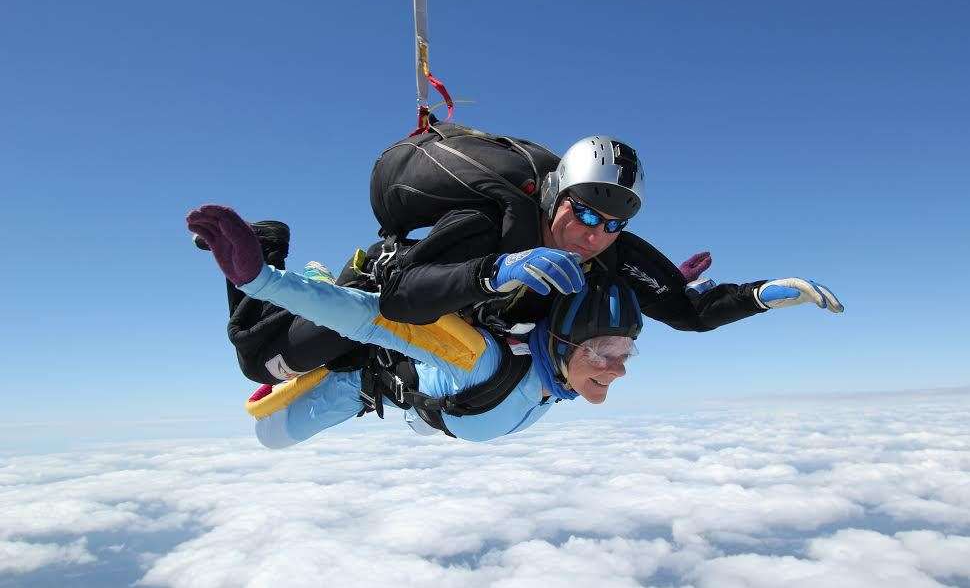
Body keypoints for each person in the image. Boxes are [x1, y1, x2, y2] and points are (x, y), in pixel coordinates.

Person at [195, 125, 842, 388]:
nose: (592, 233)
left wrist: (762, 295)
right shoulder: (493, 222)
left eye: (612, 222)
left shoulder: (607, 251)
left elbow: (688, 311)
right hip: (382, 300)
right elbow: (398, 297)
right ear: (557, 193)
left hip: (440, 340)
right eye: (583, 211)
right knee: (260, 360)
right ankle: (265, 243)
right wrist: (492, 270)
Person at [188, 205, 643, 445]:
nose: (619, 369)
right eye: (603, 353)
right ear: (562, 344)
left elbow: (590, 311)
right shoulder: (480, 361)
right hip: (359, 378)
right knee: (267, 424)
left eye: (626, 352)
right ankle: (273, 251)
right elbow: (368, 318)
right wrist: (264, 281)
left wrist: (659, 292)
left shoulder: (560, 374)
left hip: (425, 404)